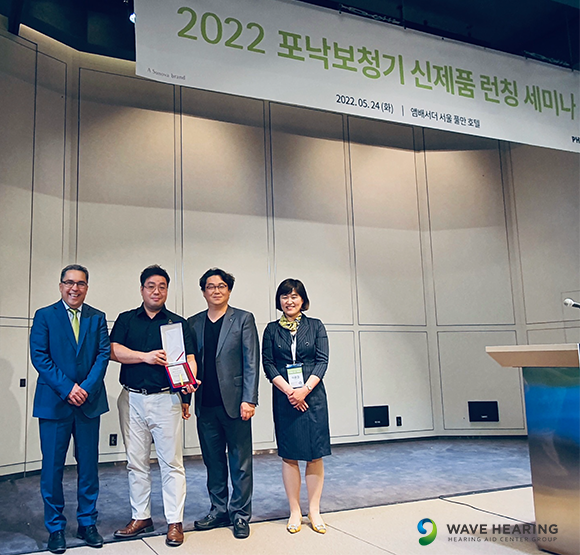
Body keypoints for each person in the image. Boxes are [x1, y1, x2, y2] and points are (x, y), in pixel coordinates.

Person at [110, 265, 198, 547]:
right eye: (151, 286)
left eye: (162, 286)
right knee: (135, 462)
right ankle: (141, 517)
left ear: (167, 290)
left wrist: (189, 383)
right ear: (142, 289)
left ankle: (174, 522)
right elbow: (113, 350)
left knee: (171, 463)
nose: (156, 291)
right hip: (132, 398)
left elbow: (190, 359)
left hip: (166, 399)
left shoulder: (178, 323)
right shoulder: (126, 319)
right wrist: (144, 356)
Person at [29, 264, 110, 554]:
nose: (74, 288)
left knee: (88, 467)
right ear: (61, 285)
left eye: (80, 283)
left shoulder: (97, 317)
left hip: (88, 403)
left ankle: (87, 523)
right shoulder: (44, 316)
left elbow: (103, 355)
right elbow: (40, 356)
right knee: (52, 468)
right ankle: (55, 527)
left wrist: (84, 388)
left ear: (87, 287)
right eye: (69, 282)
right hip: (54, 403)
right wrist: (68, 388)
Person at [187, 268, 259, 539]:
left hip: (236, 404)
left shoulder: (243, 319)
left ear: (229, 290)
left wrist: (249, 399)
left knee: (240, 462)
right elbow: (188, 363)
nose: (216, 291)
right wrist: (185, 399)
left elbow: (251, 362)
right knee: (213, 462)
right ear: (203, 291)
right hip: (205, 404)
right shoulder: (193, 323)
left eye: (221, 286)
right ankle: (219, 510)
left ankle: (240, 514)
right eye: (210, 286)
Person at [262, 278, 331, 534]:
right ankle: (294, 511)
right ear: (279, 300)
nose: (289, 301)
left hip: (312, 396)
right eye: (284, 296)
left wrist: (304, 391)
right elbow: (269, 364)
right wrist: (291, 392)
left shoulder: (316, 326)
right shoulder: (271, 330)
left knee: (315, 454)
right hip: (285, 397)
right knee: (289, 454)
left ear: (303, 300)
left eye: (294, 296)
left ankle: (314, 510)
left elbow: (322, 361)